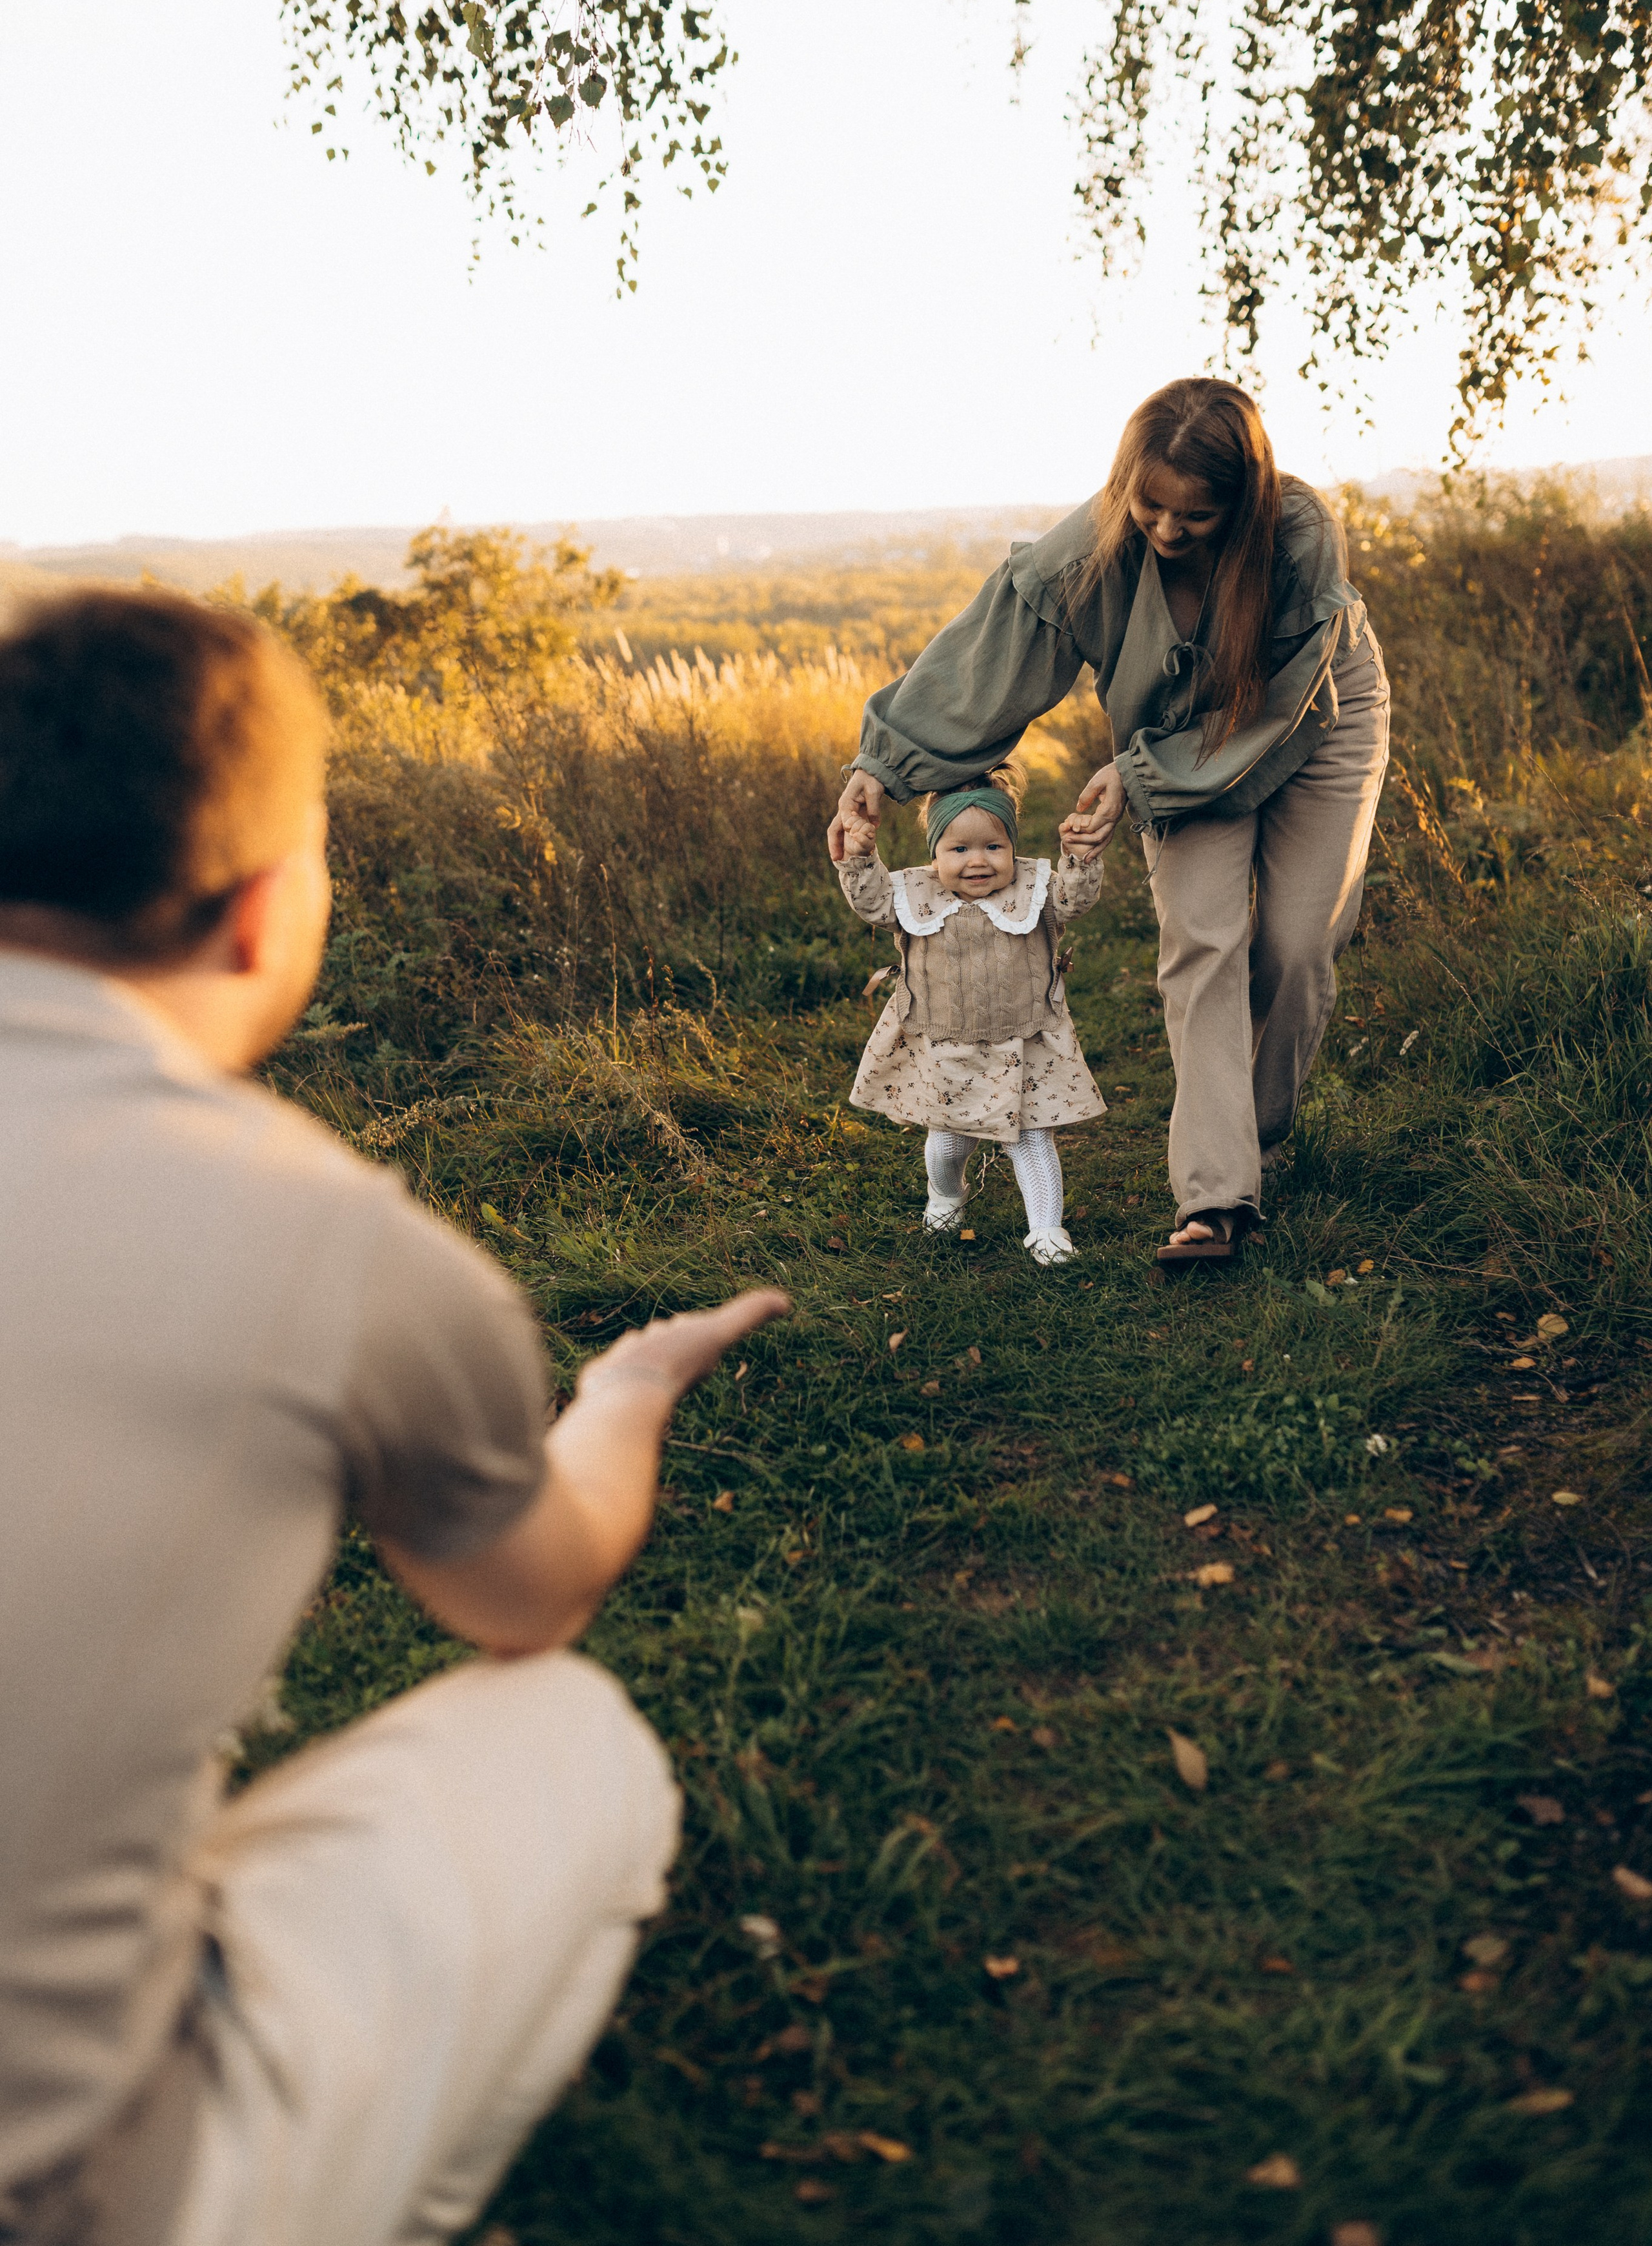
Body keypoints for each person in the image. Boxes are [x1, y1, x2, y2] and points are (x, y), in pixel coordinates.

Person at [0, 589, 787, 2246]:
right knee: (566, 1737)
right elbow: (528, 1590)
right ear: (267, 909)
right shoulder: (334, 1246)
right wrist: (624, 1388)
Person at [834, 376, 1391, 1265]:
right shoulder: (1088, 551)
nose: (1166, 531)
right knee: (1204, 940)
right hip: (1173, 745)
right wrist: (884, 765)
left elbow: (1276, 703)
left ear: (1244, 501)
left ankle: (1256, 1131)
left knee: (1295, 945)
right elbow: (988, 659)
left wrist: (1137, 774)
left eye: (1195, 516)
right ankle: (1218, 1199)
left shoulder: (1300, 534)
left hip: (1314, 719)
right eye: (1150, 504)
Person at [829, 766, 1105, 1266]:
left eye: (993, 848)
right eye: (959, 850)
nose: (977, 861)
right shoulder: (915, 895)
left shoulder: (1034, 890)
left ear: (1012, 847)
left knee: (1032, 1136)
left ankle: (1047, 1230)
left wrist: (1080, 860)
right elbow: (871, 904)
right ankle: (947, 1192)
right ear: (935, 853)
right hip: (945, 1048)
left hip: (1024, 1046)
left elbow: (1074, 899)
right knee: (949, 1142)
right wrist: (860, 856)